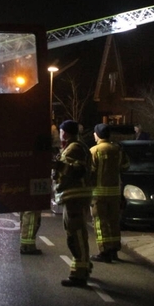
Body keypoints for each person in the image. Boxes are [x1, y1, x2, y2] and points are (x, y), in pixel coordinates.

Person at [53, 119, 92, 287]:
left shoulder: (75, 148)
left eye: (61, 131)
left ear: (66, 133)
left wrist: (57, 166)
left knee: (76, 235)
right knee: (75, 234)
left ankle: (80, 275)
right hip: (73, 197)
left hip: (75, 197)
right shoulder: (75, 147)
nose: (59, 134)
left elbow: (76, 171)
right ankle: (82, 267)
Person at [89, 123, 129, 263]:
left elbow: (89, 172)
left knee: (100, 223)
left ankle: (104, 251)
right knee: (114, 222)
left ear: (98, 135)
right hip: (115, 193)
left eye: (94, 133)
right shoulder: (117, 149)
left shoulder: (94, 151)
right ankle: (114, 250)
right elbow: (126, 166)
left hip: (98, 194)